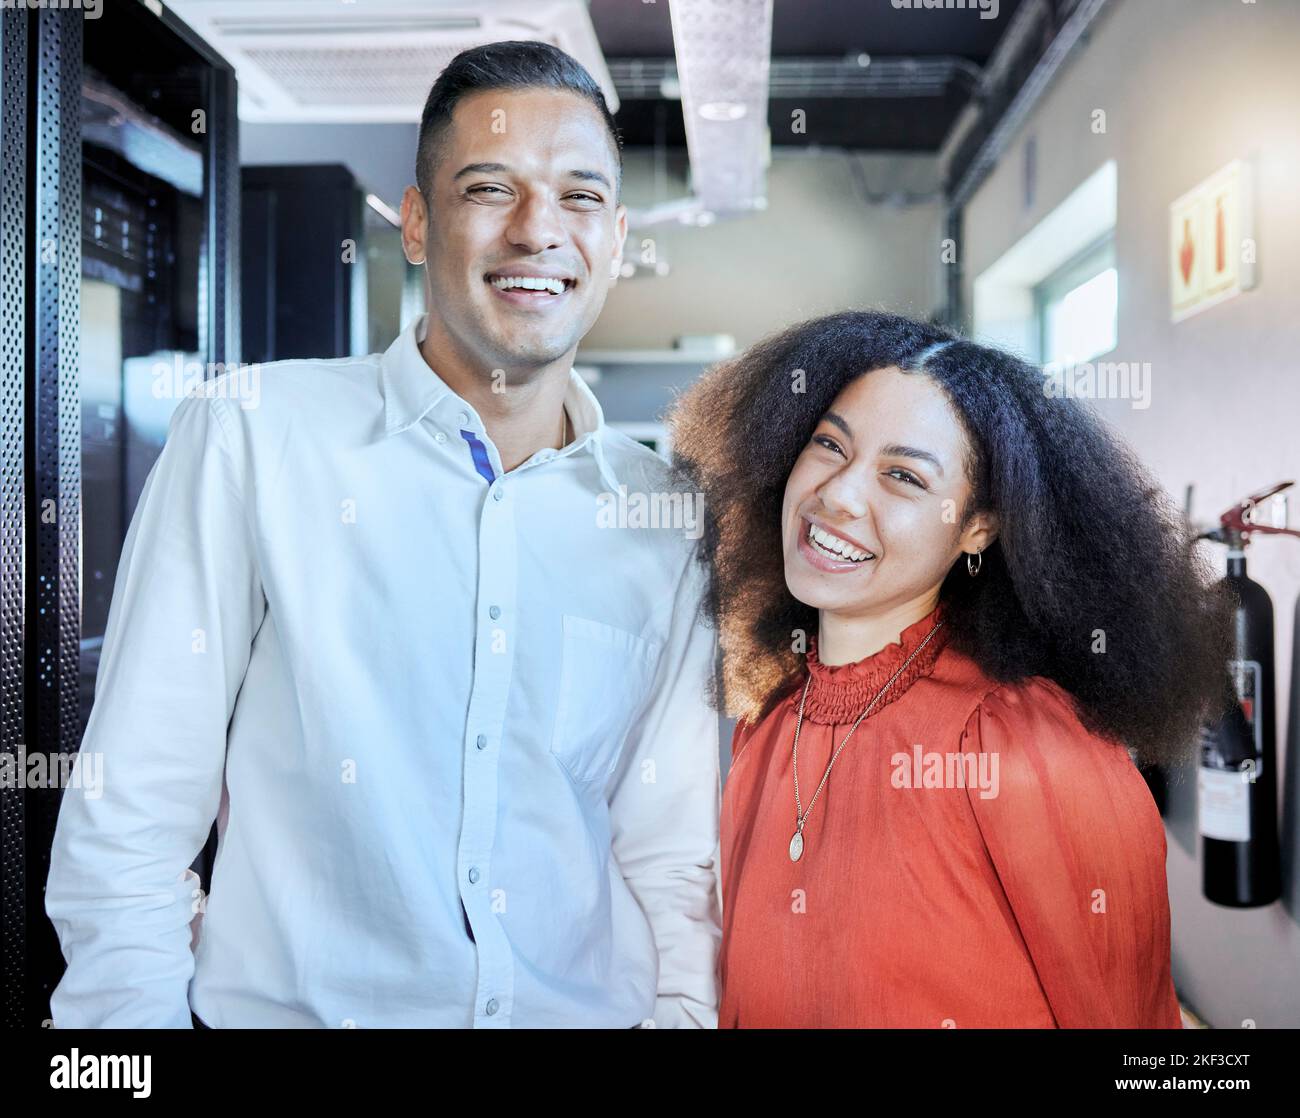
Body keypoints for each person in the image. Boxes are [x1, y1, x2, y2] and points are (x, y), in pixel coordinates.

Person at [46, 41, 721, 1029]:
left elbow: (669, 854)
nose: (540, 231)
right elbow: (133, 809)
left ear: (615, 241)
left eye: (578, 198)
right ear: (416, 223)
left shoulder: (663, 517)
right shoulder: (252, 435)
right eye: (490, 188)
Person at [668, 310, 1234, 1028]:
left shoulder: (1021, 742)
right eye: (829, 446)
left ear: (977, 526)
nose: (838, 495)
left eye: (903, 476)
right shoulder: (771, 720)